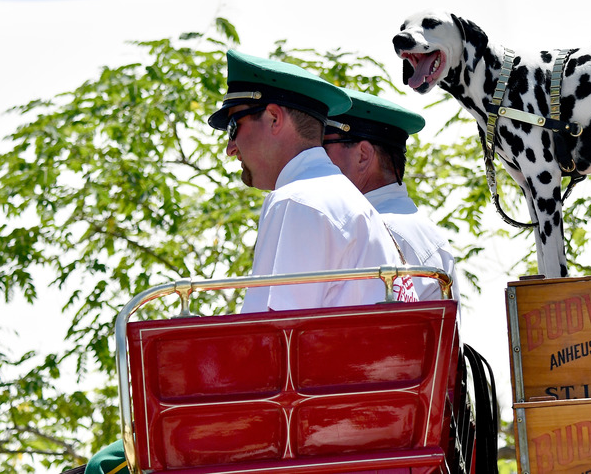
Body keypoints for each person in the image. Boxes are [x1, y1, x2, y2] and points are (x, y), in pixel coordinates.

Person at [83, 51, 417, 474]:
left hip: (312, 433)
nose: (229, 148)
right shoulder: (340, 195)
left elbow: (270, 358)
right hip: (351, 420)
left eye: (234, 126)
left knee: (110, 464)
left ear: (274, 118)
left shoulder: (299, 200)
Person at [322, 88, 461, 308]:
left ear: (363, 156)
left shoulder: (373, 229)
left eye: (324, 148)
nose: (317, 158)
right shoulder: (415, 225)